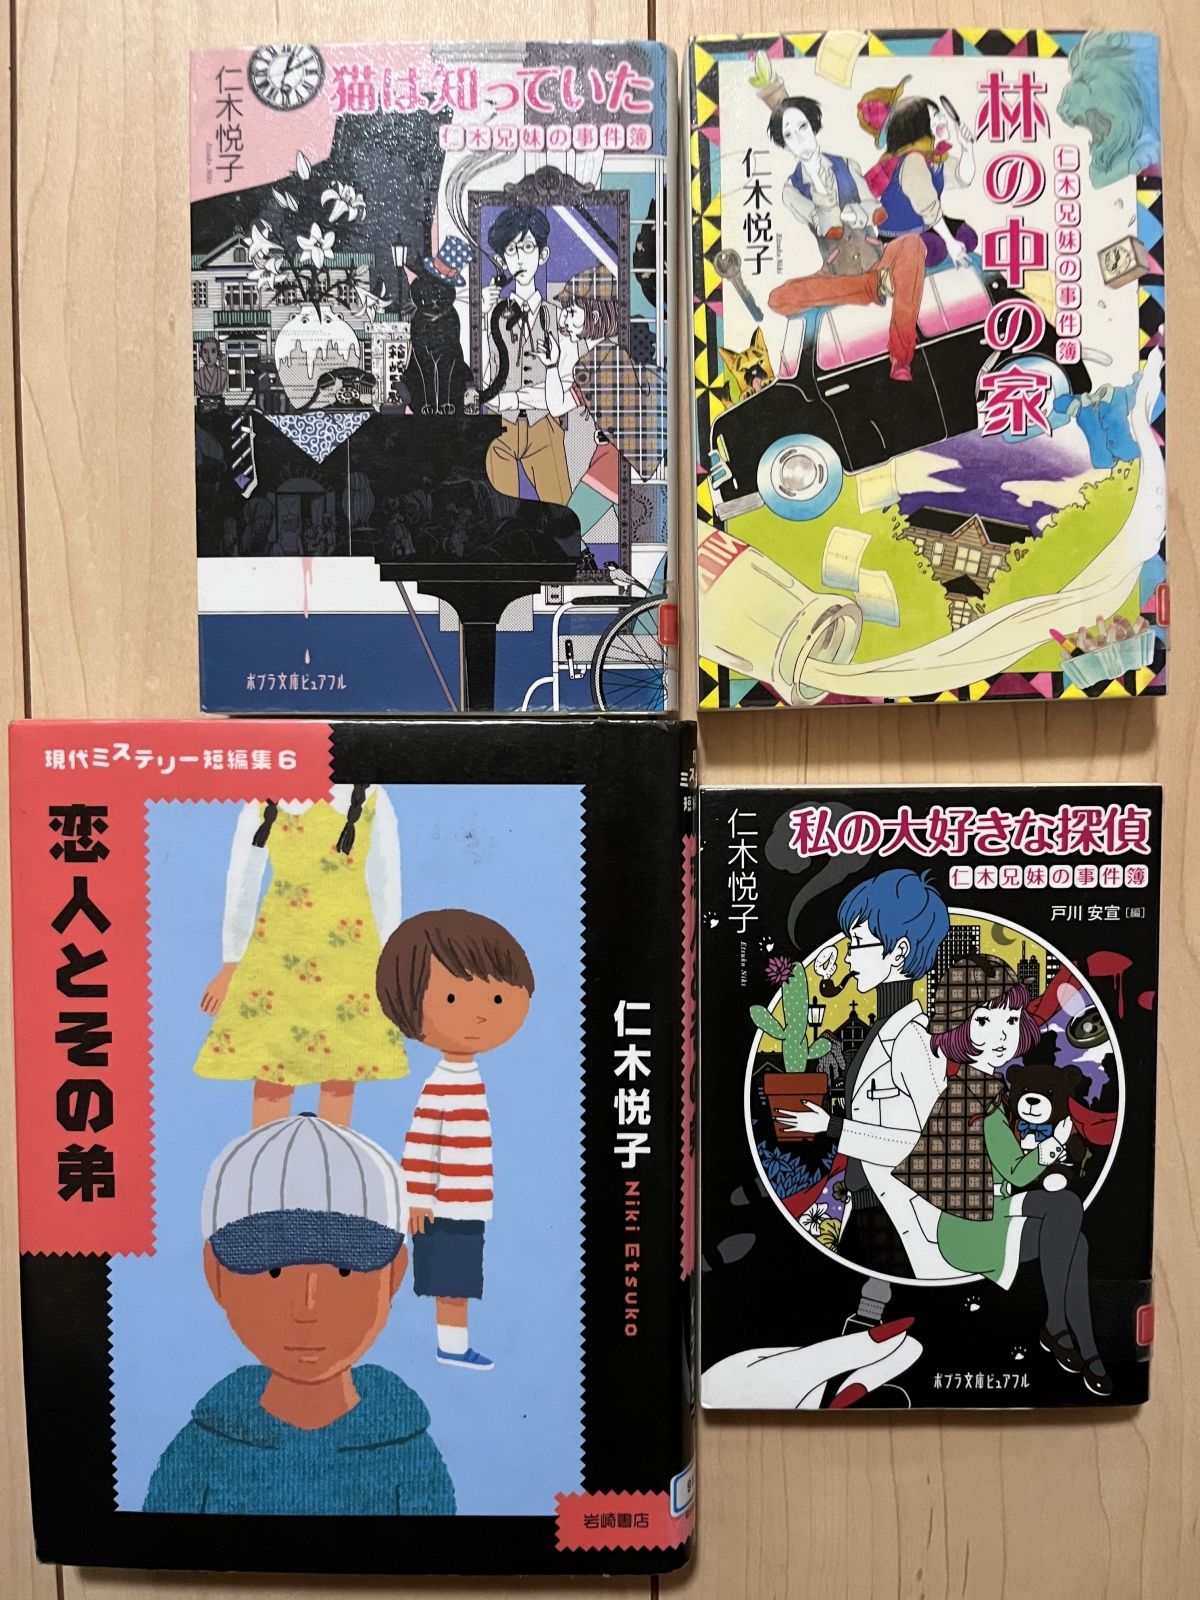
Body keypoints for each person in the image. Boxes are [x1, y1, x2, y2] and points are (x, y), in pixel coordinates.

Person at [143, 1114, 455, 1514]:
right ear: (215, 1275)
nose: (307, 1308)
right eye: (273, 1270)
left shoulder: (409, 1453)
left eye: (344, 1270)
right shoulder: (199, 1449)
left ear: (394, 1274)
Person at [931, 985, 1112, 1397]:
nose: (1001, 1035)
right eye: (983, 1021)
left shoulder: (994, 1094)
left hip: (999, 1207)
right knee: (1065, 1209)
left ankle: (1087, 1348)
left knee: (1077, 1241)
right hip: (970, 1225)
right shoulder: (970, 1098)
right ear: (958, 1029)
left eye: (1011, 1021)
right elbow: (1011, 1170)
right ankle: (1056, 1325)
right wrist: (1052, 1147)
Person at [376, 910, 534, 1372]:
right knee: (451, 1284)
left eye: (498, 998)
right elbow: (421, 1143)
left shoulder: (467, 1078)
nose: (481, 1013)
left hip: (468, 1205)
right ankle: (451, 1346)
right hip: (442, 1209)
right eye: (450, 997)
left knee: (460, 1281)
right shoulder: (441, 1084)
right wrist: (416, 1198)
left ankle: (454, 1344)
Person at [194, 785, 405, 1127]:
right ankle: (264, 1157)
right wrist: (231, 964)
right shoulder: (262, 798)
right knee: (272, 1073)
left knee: (341, 1071)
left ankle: (334, 1157)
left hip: (349, 957)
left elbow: (386, 887)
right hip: (277, 956)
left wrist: (389, 966)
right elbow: (242, 884)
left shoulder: (372, 796)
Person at [778, 869, 954, 1278]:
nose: (848, 956)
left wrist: (830, 1126)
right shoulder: (881, 1030)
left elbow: (928, 1147)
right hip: (865, 1204)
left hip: (894, 1214)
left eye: (857, 942)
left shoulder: (912, 1040)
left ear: (899, 951)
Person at [759, 93, 927, 382]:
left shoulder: (847, 164)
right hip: (836, 272)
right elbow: (826, 226)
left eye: (802, 127)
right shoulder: (791, 190)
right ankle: (870, 286)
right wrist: (820, 189)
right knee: (779, 298)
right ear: (784, 144)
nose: (799, 139)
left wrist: (860, 213)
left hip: (876, 258)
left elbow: (874, 208)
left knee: (913, 245)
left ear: (813, 126)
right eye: (789, 135)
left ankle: (901, 357)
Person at [479, 205, 573, 505]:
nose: (520, 258)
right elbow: (483, 385)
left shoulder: (558, 316)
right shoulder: (491, 314)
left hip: (543, 426)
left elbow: (566, 385)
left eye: (528, 247)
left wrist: (515, 398)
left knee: (560, 512)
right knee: (500, 516)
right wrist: (484, 318)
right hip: (498, 428)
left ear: (543, 255)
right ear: (501, 260)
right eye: (511, 250)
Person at [859, 85, 978, 269]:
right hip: (898, 235)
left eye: (939, 114)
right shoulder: (912, 160)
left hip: (926, 226)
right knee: (936, 251)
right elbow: (927, 206)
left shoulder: (935, 156)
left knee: (968, 237)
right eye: (935, 117)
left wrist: (967, 149)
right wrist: (950, 242)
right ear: (918, 129)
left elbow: (963, 178)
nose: (943, 119)